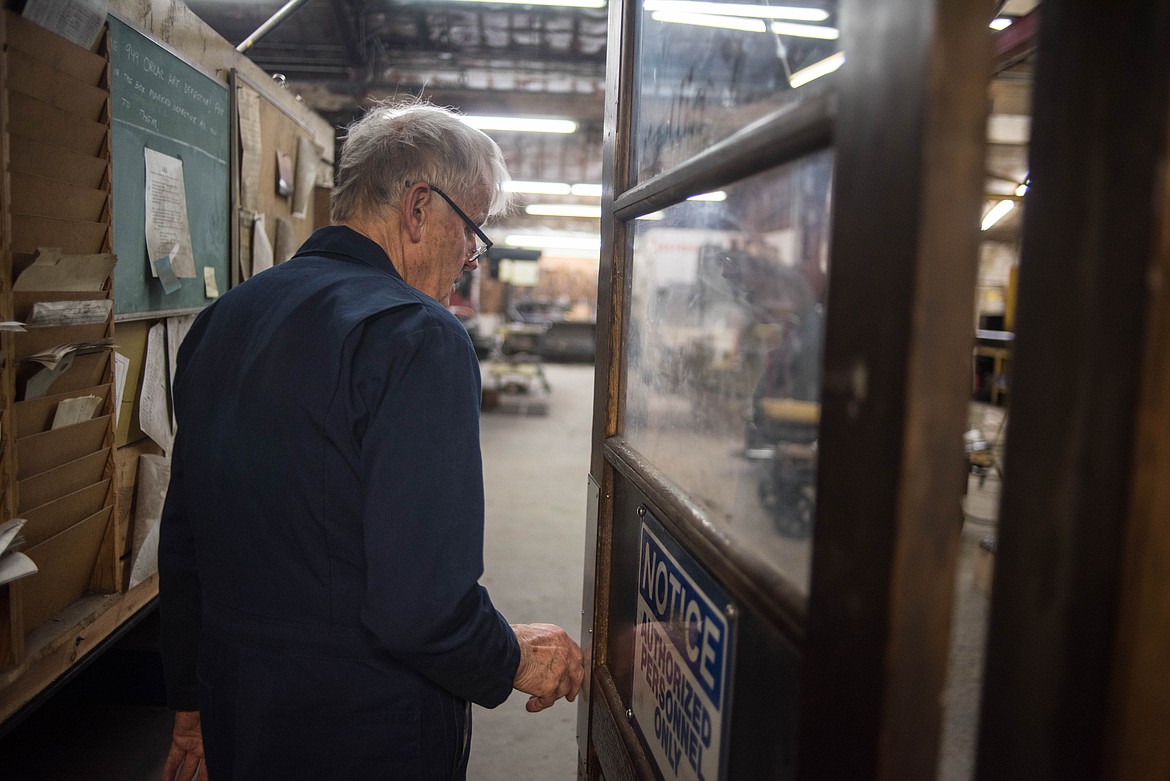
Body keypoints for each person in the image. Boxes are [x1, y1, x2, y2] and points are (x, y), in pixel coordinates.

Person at [158, 100, 584, 781]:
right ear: (420, 208)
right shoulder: (416, 335)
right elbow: (422, 609)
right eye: (471, 231)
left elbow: (183, 541)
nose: (471, 259)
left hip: (240, 711)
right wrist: (510, 656)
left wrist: (189, 706)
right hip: (361, 732)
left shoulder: (224, 320)